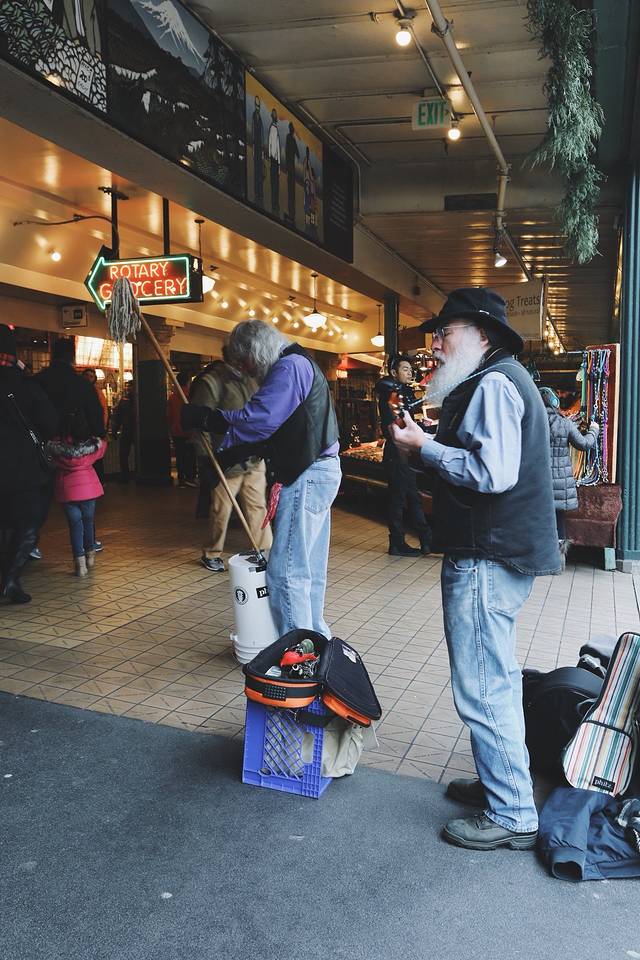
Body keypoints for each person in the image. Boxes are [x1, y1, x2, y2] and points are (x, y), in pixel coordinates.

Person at [390, 288, 560, 852]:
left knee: (483, 683)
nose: (436, 344)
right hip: (498, 552)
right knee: (495, 678)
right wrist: (427, 447)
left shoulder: (492, 383)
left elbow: (492, 473)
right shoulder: (500, 377)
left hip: (488, 554)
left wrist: (425, 448)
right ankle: (501, 783)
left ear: (482, 335)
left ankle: (512, 812)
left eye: (446, 332)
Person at [182, 320, 341, 637]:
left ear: (255, 351)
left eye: (245, 362)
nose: (246, 370)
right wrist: (232, 452)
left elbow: (260, 420)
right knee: (307, 569)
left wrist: (209, 418)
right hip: (317, 470)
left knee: (286, 572)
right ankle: (315, 640)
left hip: (306, 473)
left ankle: (299, 651)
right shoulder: (298, 362)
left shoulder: (289, 367)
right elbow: (276, 427)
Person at [188, 349, 271, 571]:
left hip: (253, 456)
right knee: (221, 509)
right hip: (225, 460)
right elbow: (199, 424)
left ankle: (263, 551)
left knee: (257, 507)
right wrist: (206, 457)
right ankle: (212, 552)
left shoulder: (252, 379)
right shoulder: (212, 383)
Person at [0, 324, 57, 603]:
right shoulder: (25, 385)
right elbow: (50, 424)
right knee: (28, 522)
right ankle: (9, 580)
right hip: (22, 471)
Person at [34, 337, 105, 557]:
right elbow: (97, 421)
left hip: (43, 449)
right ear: (72, 357)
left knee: (41, 497)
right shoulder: (83, 385)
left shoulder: (39, 381)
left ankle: (30, 541)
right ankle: (88, 544)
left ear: (52, 354)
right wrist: (96, 440)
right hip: (76, 445)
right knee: (83, 501)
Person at [375, 353, 431, 557]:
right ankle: (399, 543)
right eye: (405, 369)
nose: (410, 373)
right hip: (396, 452)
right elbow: (398, 421)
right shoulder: (391, 392)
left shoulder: (402, 392)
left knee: (412, 497)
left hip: (406, 452)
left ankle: (425, 540)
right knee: (399, 499)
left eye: (411, 369)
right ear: (393, 372)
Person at [538, 386, 599, 565]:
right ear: (555, 403)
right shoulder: (565, 424)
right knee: (559, 517)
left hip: (540, 480)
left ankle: (540, 555)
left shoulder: (533, 423)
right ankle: (559, 557)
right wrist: (594, 430)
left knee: (539, 516)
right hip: (561, 481)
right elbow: (584, 444)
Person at [49, 410, 106, 577]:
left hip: (67, 490)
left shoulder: (57, 448)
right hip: (88, 490)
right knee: (88, 522)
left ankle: (80, 564)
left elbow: (49, 457)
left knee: (75, 526)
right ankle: (90, 554)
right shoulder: (91, 446)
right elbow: (102, 446)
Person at [167, 371, 196, 488]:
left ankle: (181, 479)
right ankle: (191, 478)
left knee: (180, 456)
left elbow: (169, 416)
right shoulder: (192, 397)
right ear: (188, 382)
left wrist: (171, 427)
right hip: (190, 431)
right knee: (191, 456)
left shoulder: (172, 398)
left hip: (176, 431)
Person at [82, 367, 107, 484]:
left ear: (94, 379)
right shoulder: (88, 391)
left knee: (96, 458)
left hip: (94, 430)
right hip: (85, 430)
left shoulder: (98, 393)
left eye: (91, 376)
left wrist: (102, 428)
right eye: (86, 376)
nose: (88, 378)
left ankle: (98, 481)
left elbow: (104, 411)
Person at [112, 382, 135, 483]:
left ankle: (125, 476)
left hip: (126, 430)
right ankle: (135, 474)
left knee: (123, 455)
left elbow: (118, 418)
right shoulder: (141, 400)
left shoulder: (124, 401)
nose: (128, 388)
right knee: (137, 453)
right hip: (136, 431)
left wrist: (114, 430)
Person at [285, 121, 299, 224]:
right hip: (290, 167)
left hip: (291, 167)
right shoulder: (290, 138)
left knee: (291, 188)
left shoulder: (291, 139)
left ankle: (292, 210)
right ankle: (291, 210)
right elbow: (292, 152)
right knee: (291, 188)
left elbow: (297, 153)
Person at [251, 95, 264, 206]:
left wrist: (263, 150)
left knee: (260, 170)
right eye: (256, 105)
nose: (257, 107)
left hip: (260, 147)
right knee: (256, 170)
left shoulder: (260, 119)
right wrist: (254, 148)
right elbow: (253, 132)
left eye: (259, 105)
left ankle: (260, 192)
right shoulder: (253, 116)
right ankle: (257, 191)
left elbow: (262, 134)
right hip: (256, 146)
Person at [268, 108, 280, 214]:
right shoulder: (272, 128)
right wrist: (270, 158)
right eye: (275, 115)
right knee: (273, 183)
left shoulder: (275, 128)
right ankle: (274, 203)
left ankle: (275, 203)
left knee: (276, 183)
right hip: (273, 160)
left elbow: (278, 148)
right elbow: (270, 144)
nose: (276, 117)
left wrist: (279, 164)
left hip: (275, 161)